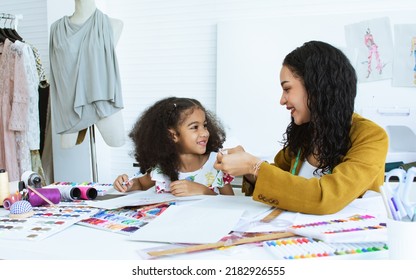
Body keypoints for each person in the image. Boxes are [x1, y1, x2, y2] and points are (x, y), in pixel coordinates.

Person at [214, 40, 388, 215]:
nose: (282, 100)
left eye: (287, 89)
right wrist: (249, 168)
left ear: (316, 87)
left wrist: (254, 166)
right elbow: (279, 178)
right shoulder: (306, 133)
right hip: (297, 237)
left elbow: (326, 198)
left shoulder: (371, 137)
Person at [113, 97, 235, 196]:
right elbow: (140, 183)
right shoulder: (163, 167)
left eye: (205, 125)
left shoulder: (217, 164)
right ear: (172, 135)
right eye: (194, 127)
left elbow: (230, 204)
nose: (205, 133)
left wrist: (203, 191)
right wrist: (126, 184)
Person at [49, 0, 125, 149]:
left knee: (115, 141)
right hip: (69, 111)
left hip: (104, 105)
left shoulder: (113, 24)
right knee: (67, 145)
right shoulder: (57, 29)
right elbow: (57, 75)